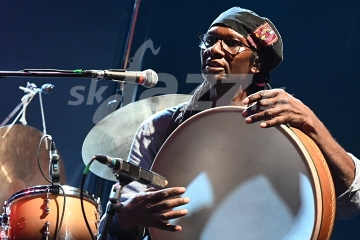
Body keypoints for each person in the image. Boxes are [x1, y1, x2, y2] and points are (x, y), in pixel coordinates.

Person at [99, 6, 360, 240]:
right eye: (210, 40)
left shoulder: (284, 121)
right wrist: (124, 219)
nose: (214, 49)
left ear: (257, 63)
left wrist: (312, 123)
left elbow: (353, 202)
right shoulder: (160, 128)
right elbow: (116, 228)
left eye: (231, 42)